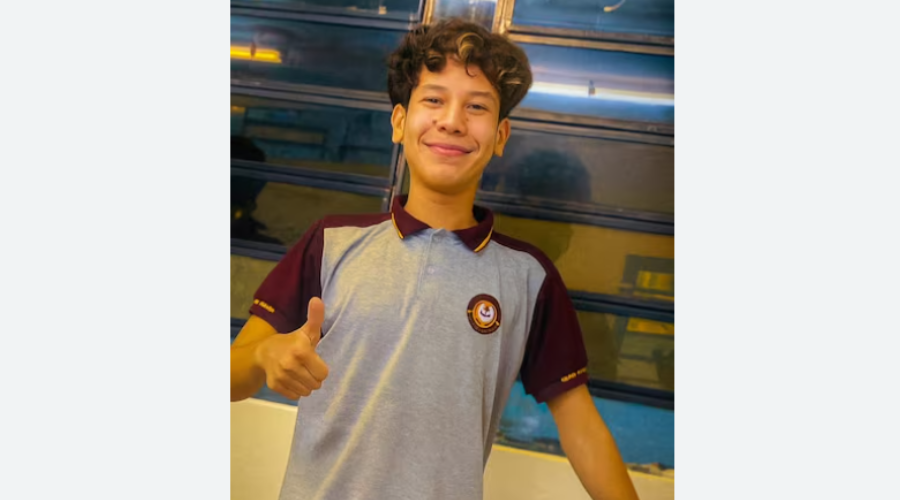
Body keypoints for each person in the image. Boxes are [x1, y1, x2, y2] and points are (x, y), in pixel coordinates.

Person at [230, 18, 639, 500]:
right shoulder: (331, 242)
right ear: (399, 122)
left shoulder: (529, 277)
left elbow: (581, 426)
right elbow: (233, 377)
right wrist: (264, 355)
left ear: (500, 135)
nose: (452, 121)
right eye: (434, 100)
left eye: (477, 106)